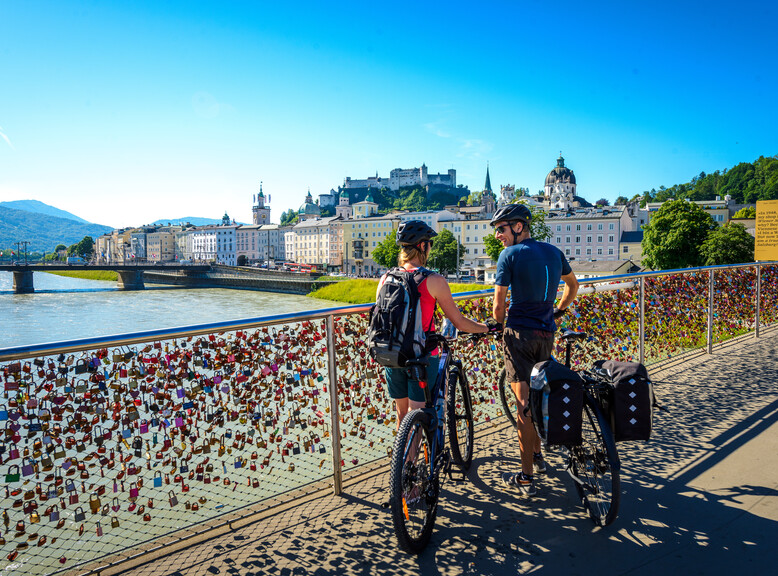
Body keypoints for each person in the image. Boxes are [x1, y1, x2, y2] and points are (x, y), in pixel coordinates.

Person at [490, 204, 579, 497]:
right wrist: (559, 311)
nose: (497, 236)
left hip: (518, 336)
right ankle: (539, 456)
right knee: (540, 394)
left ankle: (526, 476)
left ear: (517, 227)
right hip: (546, 334)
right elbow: (573, 285)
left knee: (523, 407)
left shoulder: (509, 255)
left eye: (501, 229)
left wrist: (496, 326)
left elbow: (499, 304)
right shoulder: (554, 252)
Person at [377, 220, 501, 428]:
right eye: (429, 244)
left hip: (391, 353)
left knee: (402, 415)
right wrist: (488, 328)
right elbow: (459, 322)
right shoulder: (434, 280)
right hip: (421, 355)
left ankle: (402, 459)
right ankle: (411, 461)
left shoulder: (386, 278)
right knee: (417, 415)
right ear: (423, 246)